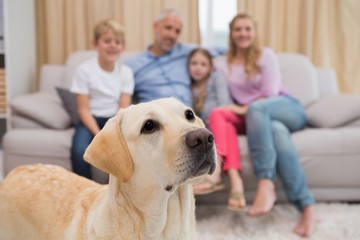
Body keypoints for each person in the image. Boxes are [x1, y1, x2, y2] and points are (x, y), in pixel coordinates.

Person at [214, 13, 316, 237]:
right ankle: (307, 207)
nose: (243, 33)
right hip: (263, 121)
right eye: (238, 29)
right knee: (278, 134)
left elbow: (269, 94)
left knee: (257, 108)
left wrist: (241, 109)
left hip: (286, 108)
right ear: (231, 34)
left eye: (247, 29)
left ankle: (265, 181)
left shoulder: (266, 55)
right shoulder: (222, 64)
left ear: (254, 32)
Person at [70, 18, 135, 180]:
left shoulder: (126, 72)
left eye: (117, 42)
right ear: (95, 44)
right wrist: (98, 134)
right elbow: (83, 110)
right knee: (79, 151)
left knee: (124, 153)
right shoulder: (84, 70)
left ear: (123, 47)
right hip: (89, 120)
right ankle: (84, 188)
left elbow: (123, 109)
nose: (113, 45)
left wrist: (111, 131)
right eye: (107, 41)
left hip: (114, 119)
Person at [125, 8, 225, 107]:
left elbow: (215, 50)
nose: (172, 35)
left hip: (187, 116)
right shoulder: (132, 65)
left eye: (177, 31)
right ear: (155, 26)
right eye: (168, 28)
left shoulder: (187, 51)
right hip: (156, 116)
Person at [188, 48, 247, 212]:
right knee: (226, 129)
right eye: (194, 63)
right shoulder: (190, 87)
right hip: (220, 127)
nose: (198, 68)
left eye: (203, 64)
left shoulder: (216, 77)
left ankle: (216, 172)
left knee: (217, 115)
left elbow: (224, 105)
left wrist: (213, 118)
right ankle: (237, 184)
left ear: (210, 67)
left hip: (230, 116)